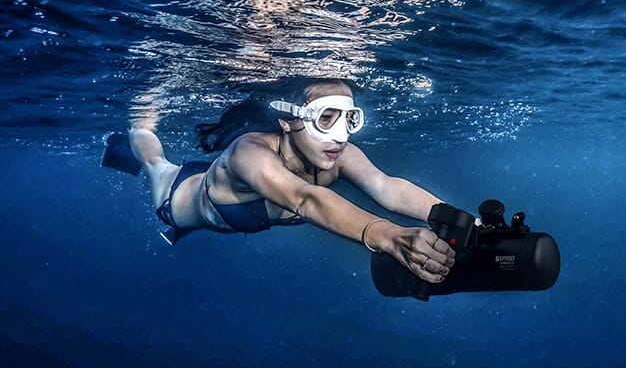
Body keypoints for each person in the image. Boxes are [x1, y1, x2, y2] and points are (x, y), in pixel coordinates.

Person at [107, 78, 455, 284]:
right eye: (326, 119)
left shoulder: (335, 153)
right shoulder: (249, 153)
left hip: (231, 200)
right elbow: (305, 199)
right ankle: (136, 126)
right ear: (288, 121)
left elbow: (387, 187)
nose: (339, 137)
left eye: (349, 120)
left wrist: (467, 223)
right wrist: (389, 236)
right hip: (177, 196)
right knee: (155, 162)